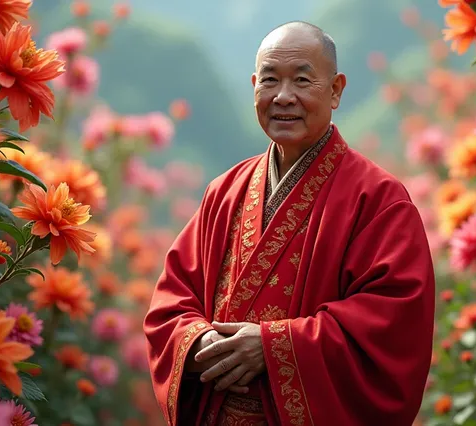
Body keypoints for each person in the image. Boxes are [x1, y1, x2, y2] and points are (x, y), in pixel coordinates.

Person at [144, 20, 435, 426]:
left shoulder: (378, 199)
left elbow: (392, 325)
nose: (283, 97)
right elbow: (172, 301)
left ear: (335, 90)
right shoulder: (224, 191)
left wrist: (274, 347)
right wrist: (202, 342)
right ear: (253, 87)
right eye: (270, 81)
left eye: (302, 80)